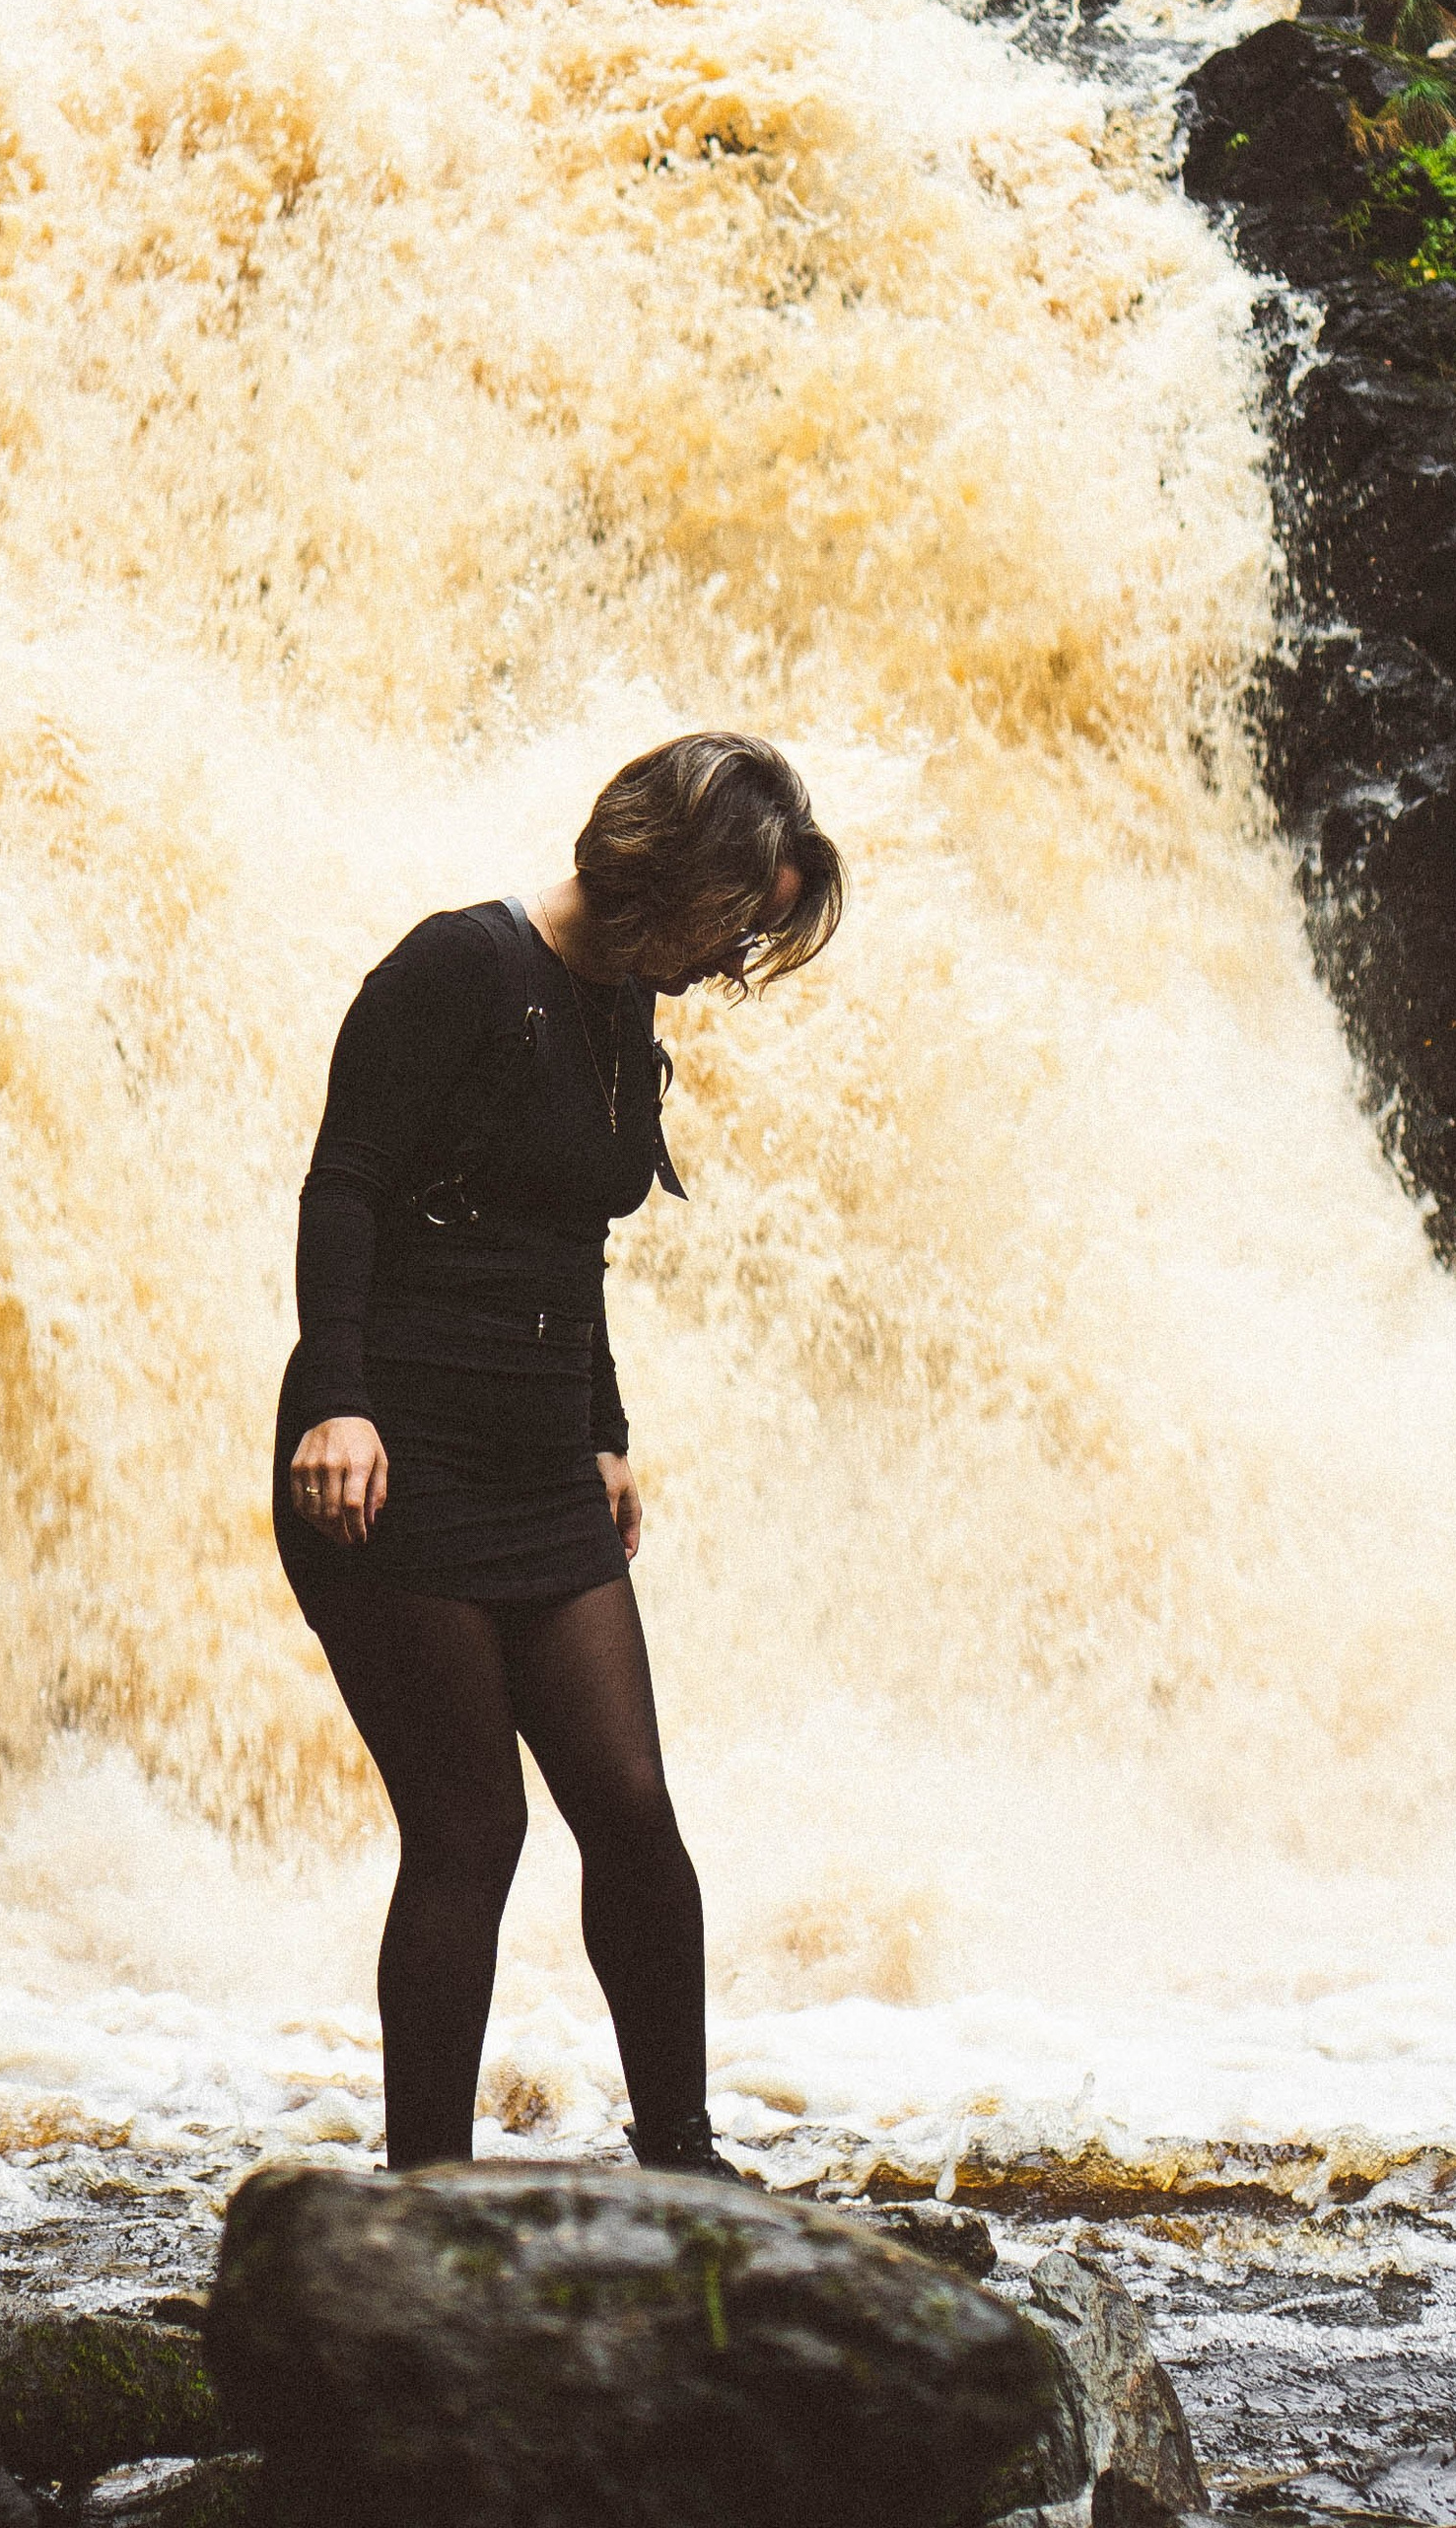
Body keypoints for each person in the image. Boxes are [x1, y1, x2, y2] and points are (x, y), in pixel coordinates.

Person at [275, 731, 844, 2175]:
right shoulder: (457, 969)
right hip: (394, 1457)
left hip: (538, 1466)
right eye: (734, 924)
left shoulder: (618, 1010)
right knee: (472, 1829)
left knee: (633, 1814)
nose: (731, 962)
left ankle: (680, 2157)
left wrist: (604, 1434)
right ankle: (424, 2190)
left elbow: (566, 1239)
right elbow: (344, 1185)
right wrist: (339, 1403)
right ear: (672, 867)